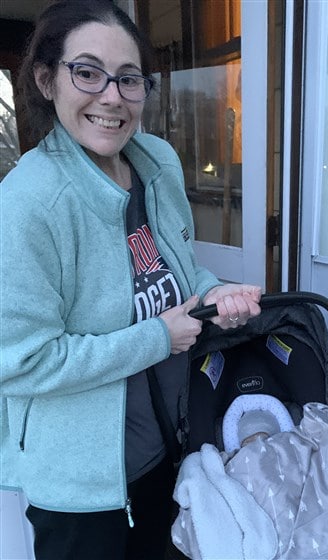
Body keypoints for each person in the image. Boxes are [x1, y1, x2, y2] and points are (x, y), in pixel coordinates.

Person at [0, 1, 262, 559]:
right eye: (88, 73)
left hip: (171, 448)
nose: (112, 97)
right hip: (85, 492)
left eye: (129, 79)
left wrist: (214, 292)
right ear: (47, 80)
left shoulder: (156, 164)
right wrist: (157, 339)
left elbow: (181, 269)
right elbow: (21, 361)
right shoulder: (28, 207)